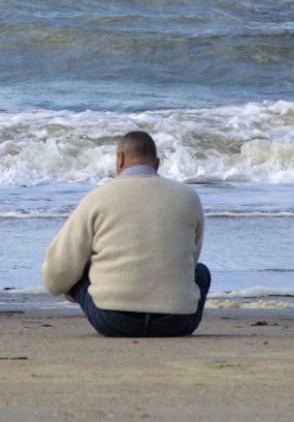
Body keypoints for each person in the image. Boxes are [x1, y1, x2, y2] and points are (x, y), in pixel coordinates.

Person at [41, 130, 210, 337]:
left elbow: (57, 273)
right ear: (157, 164)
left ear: (119, 159)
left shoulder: (97, 198)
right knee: (202, 272)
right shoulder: (189, 197)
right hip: (177, 322)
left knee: (78, 268)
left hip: (114, 321)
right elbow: (191, 262)